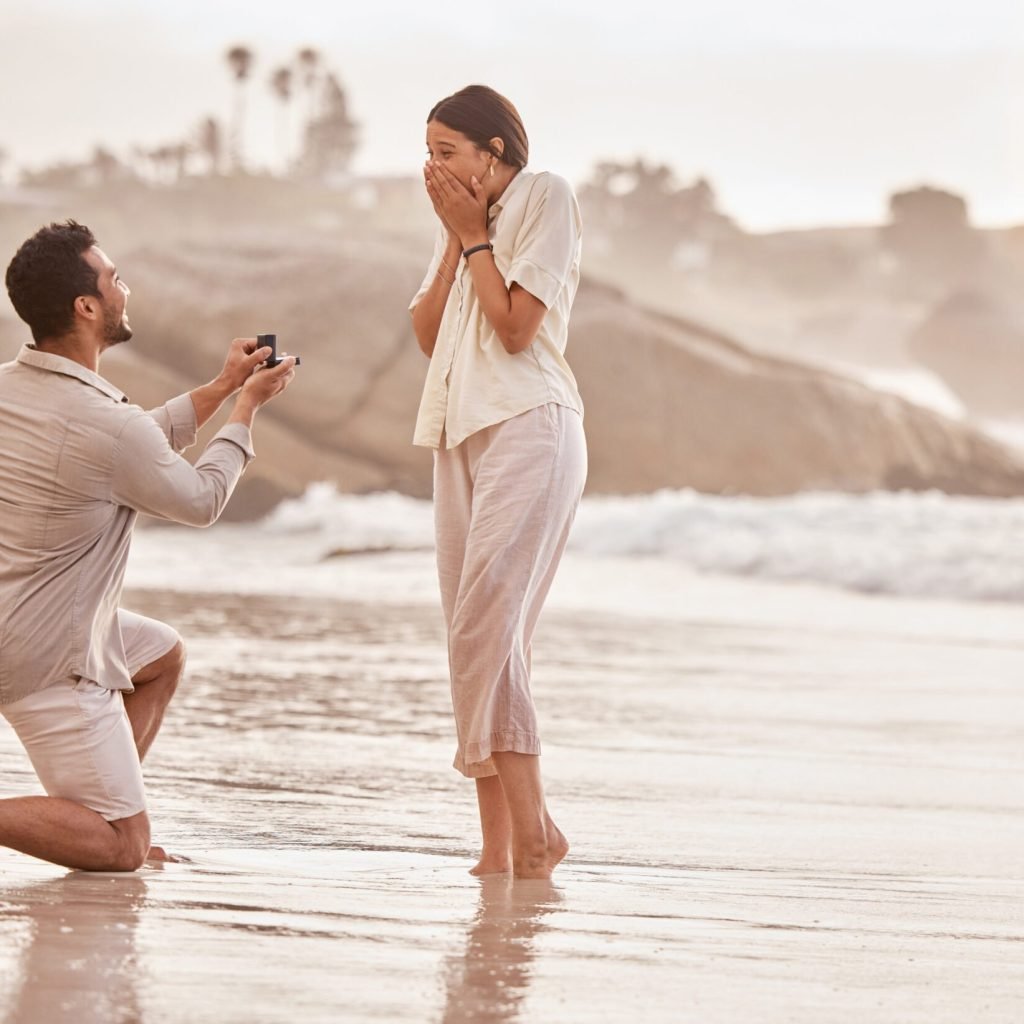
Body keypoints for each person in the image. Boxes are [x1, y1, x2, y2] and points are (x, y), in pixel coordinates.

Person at [0, 220, 295, 871]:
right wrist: (247, 411)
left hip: (15, 624)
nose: (123, 290)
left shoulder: (13, 391)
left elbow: (124, 446)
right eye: (115, 279)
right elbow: (199, 501)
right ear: (87, 307)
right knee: (121, 848)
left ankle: (100, 801)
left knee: (160, 654)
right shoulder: (107, 424)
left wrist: (221, 388)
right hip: (51, 654)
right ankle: (99, 825)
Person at [409, 85, 587, 879]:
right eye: (429, 152)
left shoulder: (545, 195)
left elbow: (516, 330)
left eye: (448, 151)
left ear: (496, 152)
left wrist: (476, 236)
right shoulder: (462, 226)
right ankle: (498, 847)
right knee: (471, 638)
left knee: (488, 626)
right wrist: (456, 239)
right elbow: (426, 333)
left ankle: (536, 833)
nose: (434, 166)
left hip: (529, 424)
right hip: (459, 434)